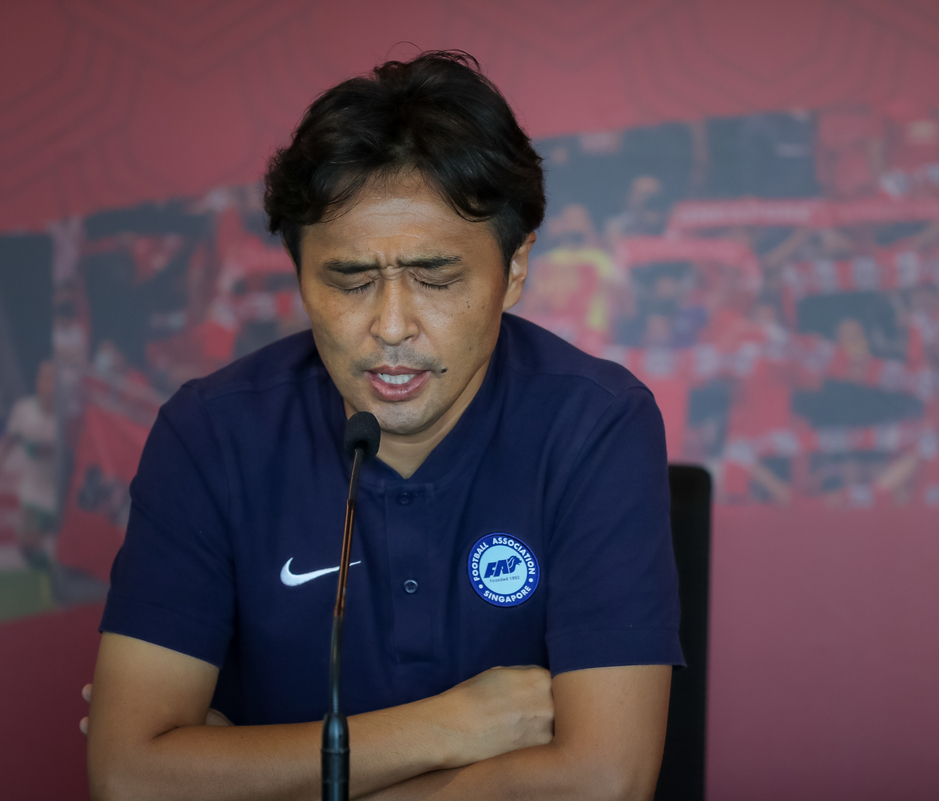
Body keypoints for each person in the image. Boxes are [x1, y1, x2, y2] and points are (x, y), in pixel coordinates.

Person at [84, 51, 682, 801]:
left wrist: (238, 771)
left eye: (435, 277)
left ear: (516, 268)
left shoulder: (595, 423)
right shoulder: (210, 434)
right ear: (297, 271)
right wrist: (451, 725)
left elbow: (604, 782)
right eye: (349, 279)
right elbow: (128, 777)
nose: (391, 326)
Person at [0, 360, 59, 570]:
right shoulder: (23, 409)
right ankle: (47, 571)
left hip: (60, 494)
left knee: (62, 542)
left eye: (53, 379)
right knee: (26, 544)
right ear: (38, 382)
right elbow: (10, 438)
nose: (48, 384)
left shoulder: (67, 414)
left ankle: (61, 578)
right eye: (44, 378)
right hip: (32, 492)